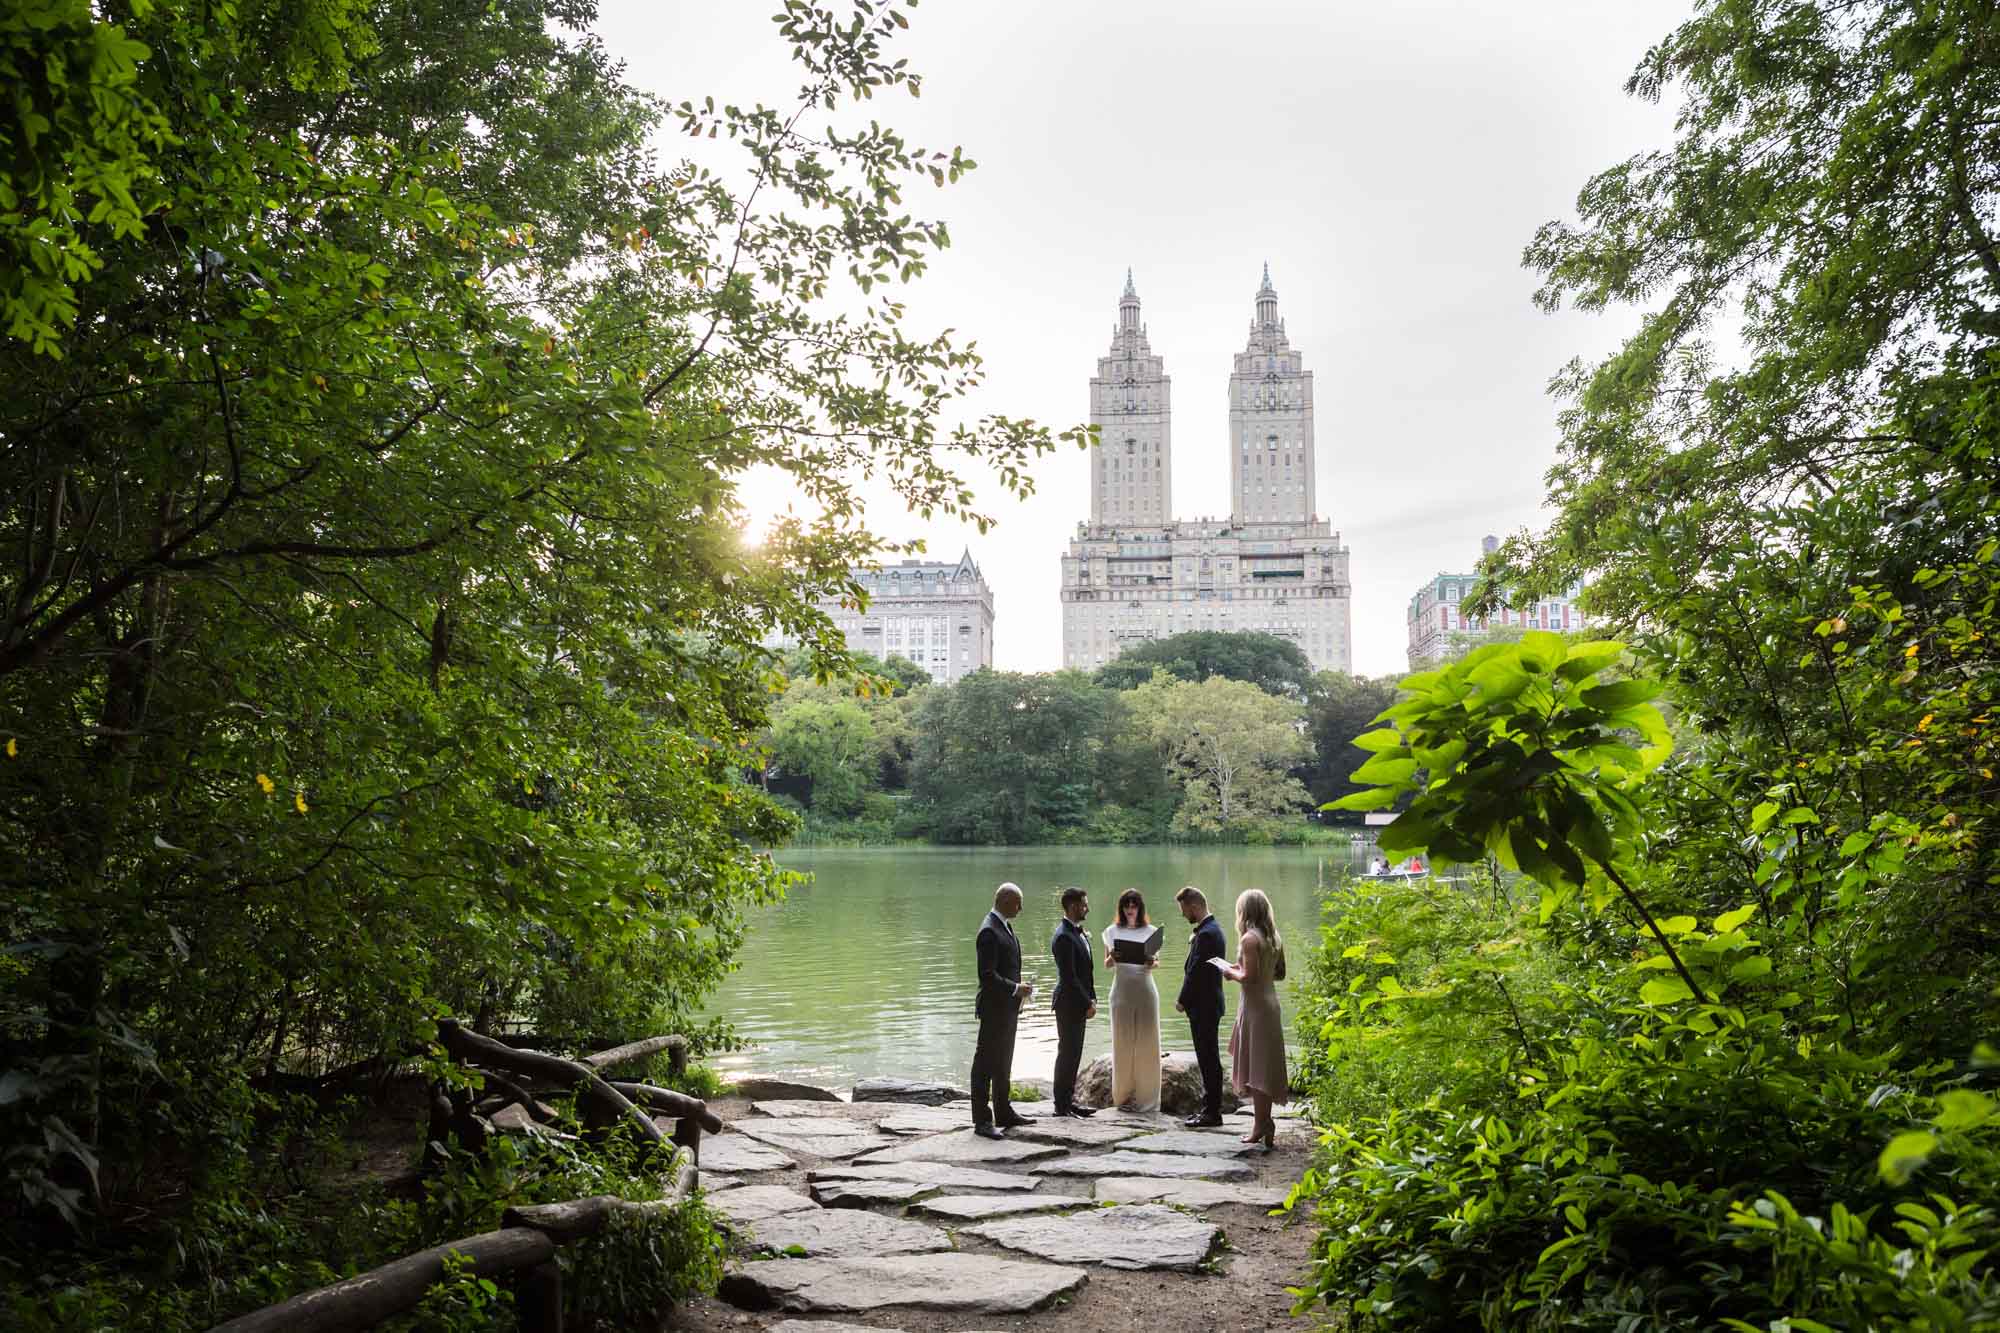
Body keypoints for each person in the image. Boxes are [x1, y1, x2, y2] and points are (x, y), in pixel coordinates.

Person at [1220, 888, 1289, 1151]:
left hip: (1256, 1009)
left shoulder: (1249, 939)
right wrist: (1240, 969)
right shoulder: (1273, 938)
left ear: (1245, 911)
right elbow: (1277, 973)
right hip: (1269, 1005)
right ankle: (1265, 1123)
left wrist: (1229, 972)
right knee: (1263, 1066)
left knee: (1258, 1069)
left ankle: (1261, 1125)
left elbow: (1249, 977)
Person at [970, 882, 1035, 1139]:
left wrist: (1017, 991)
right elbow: (986, 976)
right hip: (993, 1009)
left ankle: (1003, 1111)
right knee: (985, 1064)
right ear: (1007, 901)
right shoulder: (988, 930)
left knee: (1003, 1062)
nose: (1021, 908)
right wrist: (1015, 988)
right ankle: (982, 1121)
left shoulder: (1004, 926)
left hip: (1008, 1008)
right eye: (1018, 903)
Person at [1100, 888, 1161, 1113]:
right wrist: (1112, 957)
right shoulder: (1111, 931)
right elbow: (1106, 964)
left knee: (1148, 1043)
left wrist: (1150, 961)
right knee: (1122, 1043)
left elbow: (1156, 963)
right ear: (1122, 908)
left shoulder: (1151, 931)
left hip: (1145, 990)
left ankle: (1148, 1099)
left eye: (1134, 905)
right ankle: (1123, 1097)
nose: (1130, 909)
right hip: (1121, 993)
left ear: (1140, 907)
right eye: (1127, 905)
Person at [1173, 885, 1227, 1127]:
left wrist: (1182, 1000)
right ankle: (1208, 1108)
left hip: (1204, 1005)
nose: (1183, 914)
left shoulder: (1207, 934)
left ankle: (1212, 1112)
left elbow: (1196, 971)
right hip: (1207, 1004)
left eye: (1184, 909)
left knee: (1208, 1059)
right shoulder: (1211, 930)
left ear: (1194, 906)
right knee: (1207, 1058)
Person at [1049, 886, 1098, 1119]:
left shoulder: (1077, 932)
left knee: (1075, 1054)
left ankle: (1070, 1101)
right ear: (1072, 906)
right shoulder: (1063, 936)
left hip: (1079, 1002)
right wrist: (1087, 1001)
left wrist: (1093, 997)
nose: (1087, 907)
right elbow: (1069, 978)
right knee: (1067, 1053)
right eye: (1084, 904)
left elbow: (1087, 972)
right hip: (1068, 1003)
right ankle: (1061, 1105)